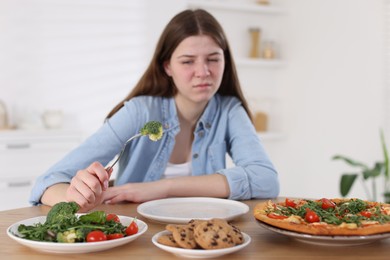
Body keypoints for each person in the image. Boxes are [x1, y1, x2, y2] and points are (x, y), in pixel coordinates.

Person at [30, 9, 279, 212]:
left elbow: (266, 180)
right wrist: (77, 196)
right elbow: (46, 183)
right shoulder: (139, 112)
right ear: (167, 66)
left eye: (213, 59)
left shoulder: (229, 111)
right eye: (188, 61)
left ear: (225, 60)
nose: (203, 72)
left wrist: (163, 188)